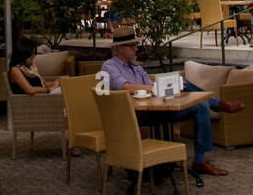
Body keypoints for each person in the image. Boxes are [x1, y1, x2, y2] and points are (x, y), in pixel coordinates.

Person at [101, 30, 244, 177]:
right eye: (132, 46)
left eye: (136, 45)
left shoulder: (136, 67)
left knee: (197, 101)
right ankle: (217, 103)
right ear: (120, 48)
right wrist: (157, 88)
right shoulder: (109, 66)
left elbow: (151, 87)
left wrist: (169, 89)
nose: (136, 49)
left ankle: (199, 161)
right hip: (132, 115)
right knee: (189, 91)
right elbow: (125, 87)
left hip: (153, 110)